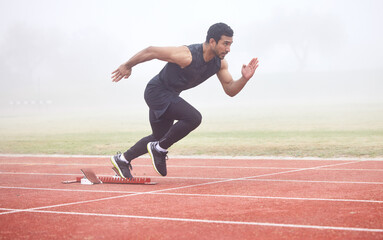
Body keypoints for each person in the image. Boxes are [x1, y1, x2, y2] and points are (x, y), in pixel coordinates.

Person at [110, 22, 258, 178]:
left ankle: (122, 159)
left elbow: (230, 89)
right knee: (193, 118)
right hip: (156, 92)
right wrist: (127, 65)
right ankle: (159, 149)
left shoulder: (219, 64)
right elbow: (151, 51)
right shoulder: (187, 55)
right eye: (225, 44)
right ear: (212, 41)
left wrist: (244, 78)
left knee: (159, 137)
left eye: (230, 44)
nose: (228, 49)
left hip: (170, 95)